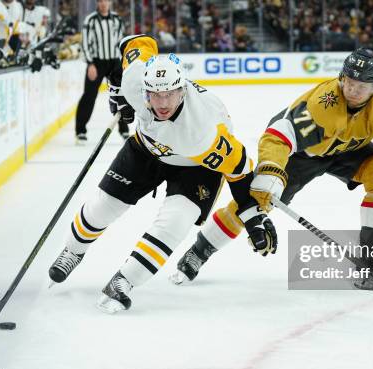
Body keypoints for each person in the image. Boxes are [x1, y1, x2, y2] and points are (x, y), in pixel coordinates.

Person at [170, 48, 373, 291]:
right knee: (254, 203)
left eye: (362, 86)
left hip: (349, 150)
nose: (353, 90)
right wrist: (271, 170)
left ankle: (369, 260)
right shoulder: (324, 103)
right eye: (349, 82)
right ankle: (199, 250)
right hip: (303, 155)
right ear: (342, 77)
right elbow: (278, 134)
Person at [48, 34, 278, 313]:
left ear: (182, 90)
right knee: (103, 206)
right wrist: (117, 86)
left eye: (170, 93)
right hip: (147, 148)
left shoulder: (202, 131)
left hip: (197, 167)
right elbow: (135, 41)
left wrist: (252, 217)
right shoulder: (137, 81)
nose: (162, 102)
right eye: (155, 94)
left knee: (176, 222)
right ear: (144, 91)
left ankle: (124, 281)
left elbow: (239, 169)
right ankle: (73, 250)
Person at [76, 0, 127, 144]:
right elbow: (85, 43)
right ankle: (80, 131)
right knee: (89, 96)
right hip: (97, 62)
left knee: (120, 95)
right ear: (98, 3)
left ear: (110, 2)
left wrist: (123, 62)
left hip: (115, 62)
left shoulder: (117, 19)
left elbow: (121, 41)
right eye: (101, 0)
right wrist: (90, 64)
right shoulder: (90, 20)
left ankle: (124, 129)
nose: (104, 3)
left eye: (106, 0)